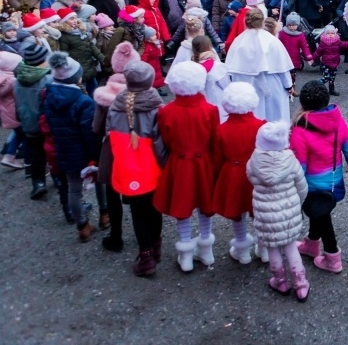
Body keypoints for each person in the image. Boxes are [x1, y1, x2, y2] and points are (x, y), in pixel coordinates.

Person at [291, 81, 348, 274]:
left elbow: (299, 166)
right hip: (333, 182)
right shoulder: (337, 120)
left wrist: (291, 187)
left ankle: (333, 258)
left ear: (303, 103)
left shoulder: (300, 129)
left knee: (323, 217)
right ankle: (311, 244)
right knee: (320, 212)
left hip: (311, 185)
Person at [154, 61, 220, 273]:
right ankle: (206, 250)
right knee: (205, 205)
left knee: (181, 207)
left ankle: (186, 254)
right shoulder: (210, 110)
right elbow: (214, 140)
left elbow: (165, 139)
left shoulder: (166, 112)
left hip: (179, 163)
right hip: (204, 163)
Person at [105, 61, 165, 276]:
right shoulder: (157, 107)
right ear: (150, 81)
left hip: (126, 166)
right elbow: (160, 143)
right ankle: (156, 247)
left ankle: (146, 254)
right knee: (154, 208)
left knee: (137, 211)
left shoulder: (115, 105)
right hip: (151, 167)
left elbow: (107, 135)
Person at [40, 52, 100, 242]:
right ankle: (106, 215)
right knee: (100, 184)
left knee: (73, 189)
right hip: (83, 150)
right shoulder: (83, 101)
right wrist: (96, 154)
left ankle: (82, 225)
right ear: (76, 77)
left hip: (63, 149)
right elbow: (90, 132)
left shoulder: (48, 95)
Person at [248, 120, 310, 300]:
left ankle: (280, 281)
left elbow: (250, 178)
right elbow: (302, 186)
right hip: (288, 213)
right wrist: (298, 202)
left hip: (265, 215)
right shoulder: (290, 160)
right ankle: (300, 285)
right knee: (291, 247)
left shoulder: (253, 161)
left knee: (272, 248)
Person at [92, 41, 141, 252]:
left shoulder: (105, 94)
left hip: (112, 149)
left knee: (112, 194)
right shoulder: (143, 91)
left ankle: (116, 235)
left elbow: (96, 127)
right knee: (138, 195)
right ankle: (144, 242)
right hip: (136, 148)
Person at [212, 82, 264, 265]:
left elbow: (217, 158)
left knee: (238, 214)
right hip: (257, 174)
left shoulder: (221, 129)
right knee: (259, 211)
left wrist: (218, 178)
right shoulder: (262, 126)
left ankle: (242, 250)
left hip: (232, 174)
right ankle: (264, 248)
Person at [225, 8, 294, 123]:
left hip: (245, 85)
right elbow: (283, 69)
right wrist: (288, 86)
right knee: (274, 119)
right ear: (263, 22)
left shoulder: (238, 41)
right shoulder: (272, 40)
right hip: (271, 84)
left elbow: (230, 72)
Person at [14, 44, 53, 199]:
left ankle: (38, 183)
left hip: (28, 123)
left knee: (36, 154)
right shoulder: (47, 80)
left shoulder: (18, 80)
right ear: (41, 61)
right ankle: (58, 179)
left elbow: (17, 103)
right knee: (52, 153)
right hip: (45, 124)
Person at [54, 8, 104, 96]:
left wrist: (102, 58)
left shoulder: (81, 31)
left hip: (89, 68)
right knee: (84, 95)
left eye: (75, 18)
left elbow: (91, 46)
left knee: (95, 93)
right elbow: (65, 55)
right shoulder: (64, 37)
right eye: (71, 18)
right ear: (64, 21)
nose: (75, 20)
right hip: (79, 72)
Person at [278, 12, 314, 90]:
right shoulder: (282, 33)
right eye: (289, 25)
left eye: (293, 25)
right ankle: (285, 87)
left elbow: (304, 46)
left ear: (297, 25)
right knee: (284, 74)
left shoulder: (300, 35)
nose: (291, 27)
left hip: (294, 58)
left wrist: (309, 57)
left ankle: (292, 88)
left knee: (293, 75)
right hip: (284, 58)